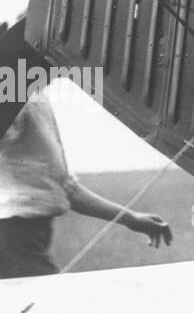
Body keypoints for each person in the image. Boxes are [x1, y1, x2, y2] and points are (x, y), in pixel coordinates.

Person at [1, 80, 172, 279]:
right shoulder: (11, 96)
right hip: (12, 237)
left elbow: (66, 187)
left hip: (26, 237)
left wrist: (130, 218)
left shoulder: (34, 99)